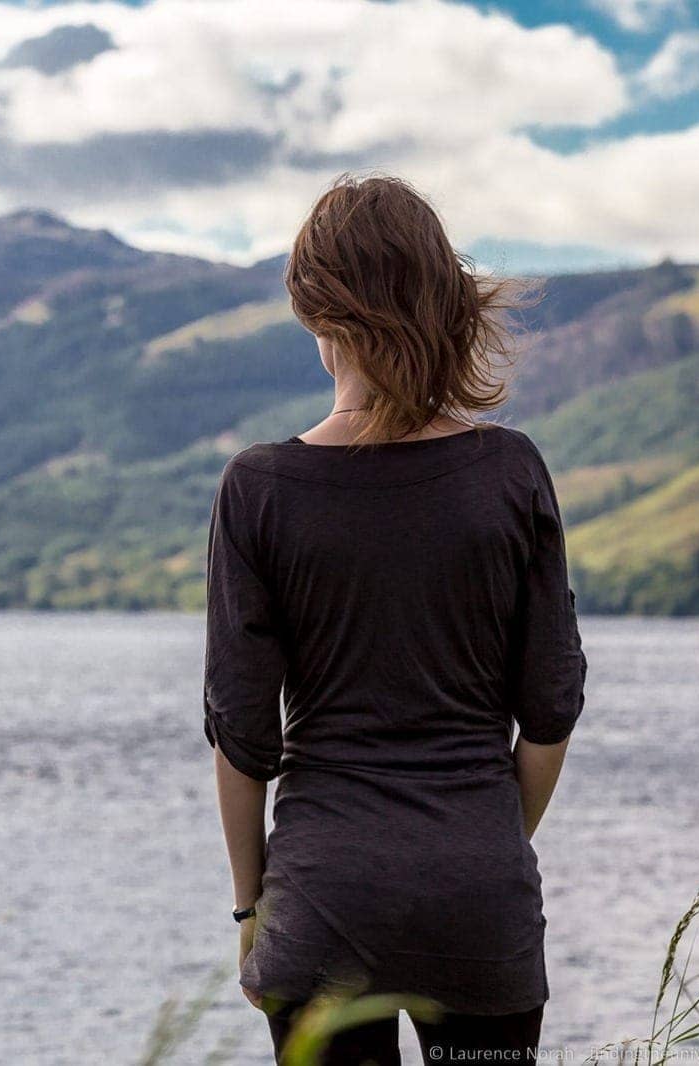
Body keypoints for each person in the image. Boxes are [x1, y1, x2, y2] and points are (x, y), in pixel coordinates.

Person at [203, 173, 588, 1065]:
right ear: (442, 304)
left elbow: (243, 737)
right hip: (478, 903)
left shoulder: (257, 488)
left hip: (322, 901)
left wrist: (249, 909)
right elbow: (550, 711)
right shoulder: (511, 472)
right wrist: (475, 845)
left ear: (313, 311)